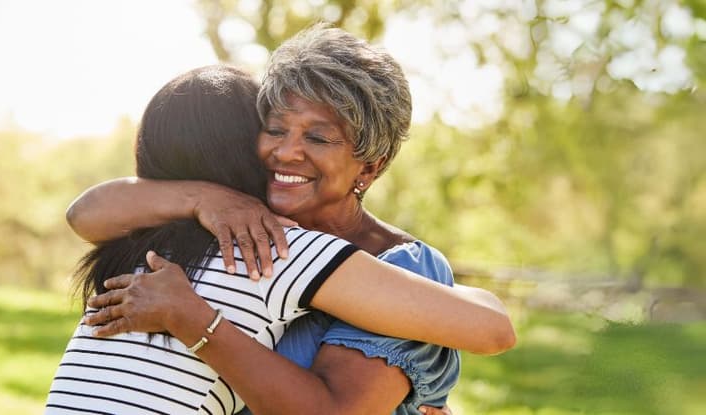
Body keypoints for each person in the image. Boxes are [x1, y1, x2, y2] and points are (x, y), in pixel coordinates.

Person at [67, 26, 500, 414]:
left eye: (317, 137)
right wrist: (205, 197)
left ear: (368, 168)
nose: (286, 152)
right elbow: (85, 213)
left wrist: (194, 319)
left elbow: (493, 328)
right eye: (275, 130)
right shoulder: (236, 229)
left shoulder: (388, 262)